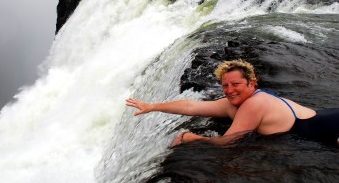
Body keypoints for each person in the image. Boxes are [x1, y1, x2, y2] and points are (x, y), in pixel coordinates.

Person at [126, 59, 339, 147]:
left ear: (252, 83)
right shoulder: (233, 103)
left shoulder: (254, 104)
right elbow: (192, 107)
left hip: (329, 128)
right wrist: (152, 106)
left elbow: (227, 143)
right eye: (225, 86)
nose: (229, 90)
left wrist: (191, 138)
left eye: (235, 84)